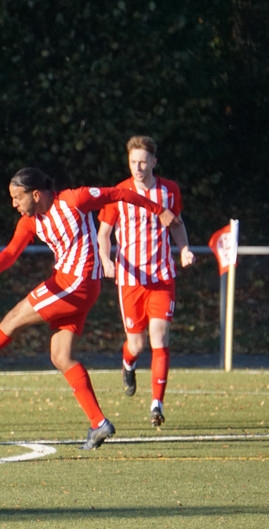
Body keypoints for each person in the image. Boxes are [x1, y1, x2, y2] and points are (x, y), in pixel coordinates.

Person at [0, 167, 176, 450]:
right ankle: (98, 423)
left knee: (11, 320)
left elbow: (118, 193)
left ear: (36, 194)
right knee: (61, 356)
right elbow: (12, 251)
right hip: (77, 286)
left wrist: (158, 209)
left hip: (74, 283)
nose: (14, 204)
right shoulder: (30, 221)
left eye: (17, 197)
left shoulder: (74, 200)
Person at [97, 135, 195, 428]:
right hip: (130, 280)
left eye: (143, 162)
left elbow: (176, 224)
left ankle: (156, 404)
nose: (138, 168)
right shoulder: (119, 192)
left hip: (162, 276)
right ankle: (128, 363)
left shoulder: (169, 190)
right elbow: (104, 234)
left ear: (154, 162)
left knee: (159, 339)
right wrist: (105, 260)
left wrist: (185, 249)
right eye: (133, 162)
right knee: (137, 344)